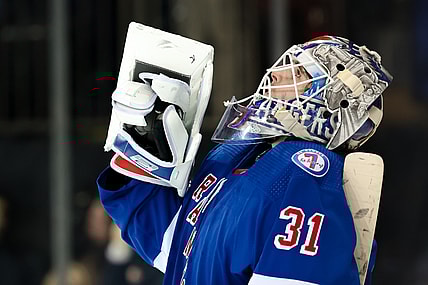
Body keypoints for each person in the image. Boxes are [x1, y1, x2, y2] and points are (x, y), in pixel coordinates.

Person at [97, 35, 392, 285]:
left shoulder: (306, 173)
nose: (276, 73)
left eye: (299, 72)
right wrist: (144, 154)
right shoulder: (237, 152)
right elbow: (176, 249)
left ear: (333, 105)